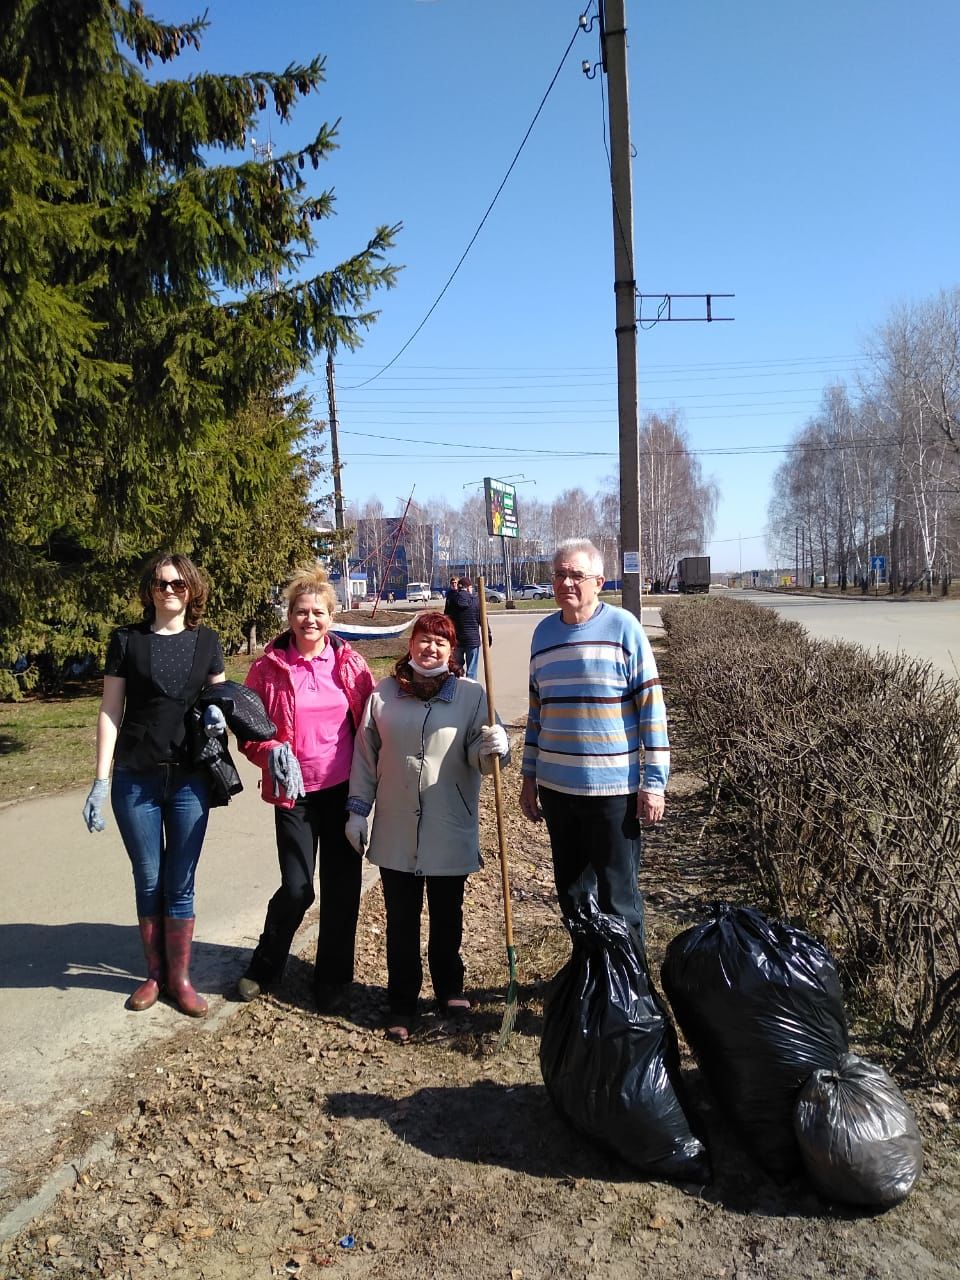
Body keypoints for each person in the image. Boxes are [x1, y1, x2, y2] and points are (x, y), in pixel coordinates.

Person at [344, 612, 508, 1043]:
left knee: (447, 915)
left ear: (452, 651)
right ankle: (401, 1001)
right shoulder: (385, 695)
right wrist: (357, 810)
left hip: (449, 826)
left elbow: (481, 757)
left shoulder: (473, 696)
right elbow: (365, 755)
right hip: (396, 828)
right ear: (411, 643)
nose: (430, 648)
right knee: (401, 920)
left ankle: (449, 989)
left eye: (440, 641)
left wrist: (495, 746)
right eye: (423, 639)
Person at [82, 553, 226, 1017]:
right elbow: (110, 710)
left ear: (192, 590)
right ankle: (155, 974)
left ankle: (180, 979)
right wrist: (100, 780)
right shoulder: (127, 641)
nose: (169, 590)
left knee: (180, 882)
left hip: (189, 780)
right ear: (150, 589)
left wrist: (221, 715)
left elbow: (222, 700)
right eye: (162, 583)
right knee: (149, 877)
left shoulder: (207, 642)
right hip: (134, 779)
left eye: (179, 584)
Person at [236, 566, 375, 1011]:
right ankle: (266, 963)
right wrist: (268, 751)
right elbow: (247, 728)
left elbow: (375, 725)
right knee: (297, 887)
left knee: (342, 888)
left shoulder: (351, 665)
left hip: (343, 793)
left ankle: (332, 979)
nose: (309, 619)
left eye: (318, 612)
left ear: (332, 617)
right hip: (292, 793)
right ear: (289, 616)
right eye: (301, 611)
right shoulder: (267, 668)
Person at [519, 538, 669, 948]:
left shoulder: (624, 628)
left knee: (618, 897)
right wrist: (528, 777)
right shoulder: (543, 634)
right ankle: (589, 977)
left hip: (611, 792)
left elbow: (651, 707)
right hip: (557, 790)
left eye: (576, 575)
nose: (566, 582)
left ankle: (629, 990)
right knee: (572, 893)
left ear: (599, 581)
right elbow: (537, 712)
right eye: (559, 574)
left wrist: (654, 783)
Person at [443, 577, 490, 680]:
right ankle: (470, 691)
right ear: (468, 588)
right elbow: (483, 620)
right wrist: (488, 634)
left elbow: (446, 619)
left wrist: (445, 637)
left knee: (456, 669)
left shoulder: (451, 600)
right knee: (472, 671)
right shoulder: (476, 601)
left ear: (459, 588)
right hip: (472, 641)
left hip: (457, 641)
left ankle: (456, 691)